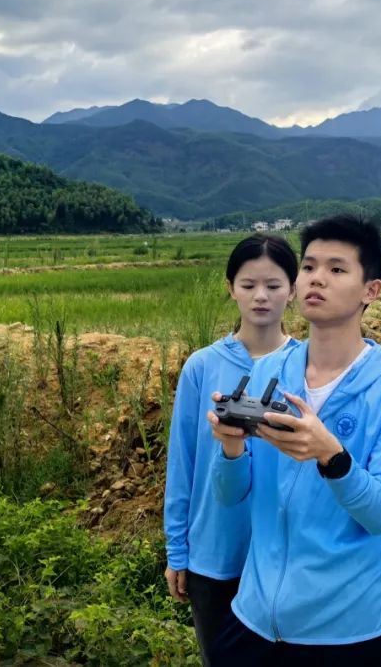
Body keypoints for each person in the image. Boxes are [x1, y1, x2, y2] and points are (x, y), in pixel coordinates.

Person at [206, 214, 381, 666]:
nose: (316, 279)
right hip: (253, 618)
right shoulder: (268, 373)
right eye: (308, 267)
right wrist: (230, 448)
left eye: (336, 269)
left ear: (371, 291)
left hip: (345, 631)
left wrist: (332, 457)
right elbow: (229, 497)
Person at [163, 234, 300, 665]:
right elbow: (182, 463)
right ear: (230, 288)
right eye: (248, 285)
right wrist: (177, 551)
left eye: (274, 285)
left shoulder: (306, 368)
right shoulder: (202, 366)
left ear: (292, 290)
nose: (261, 296)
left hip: (285, 558)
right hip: (215, 555)